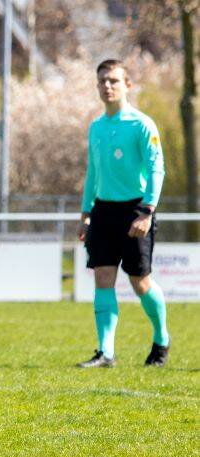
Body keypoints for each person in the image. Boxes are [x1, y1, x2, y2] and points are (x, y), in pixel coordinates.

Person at [77, 59, 169, 368]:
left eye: (114, 80)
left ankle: (161, 339)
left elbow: (157, 168)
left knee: (140, 282)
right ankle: (106, 352)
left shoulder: (142, 124)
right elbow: (93, 171)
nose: (107, 86)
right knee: (103, 277)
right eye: (102, 80)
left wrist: (147, 211)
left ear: (127, 85)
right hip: (103, 210)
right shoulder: (96, 127)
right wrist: (86, 213)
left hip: (135, 208)